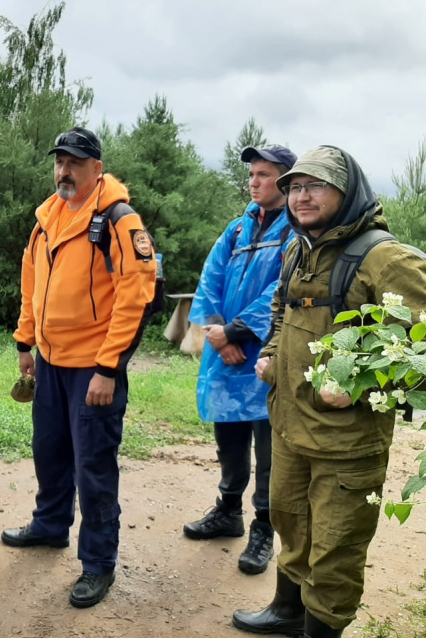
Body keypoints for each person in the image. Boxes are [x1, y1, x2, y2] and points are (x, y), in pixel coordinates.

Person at [232, 146, 426, 637]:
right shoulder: (299, 247)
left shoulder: (385, 258)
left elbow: (420, 347)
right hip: (292, 426)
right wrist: (272, 352)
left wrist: (361, 387)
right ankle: (285, 611)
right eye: (294, 187)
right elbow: (283, 307)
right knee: (290, 523)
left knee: (336, 548)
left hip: (348, 444)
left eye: (315, 185)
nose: (301, 196)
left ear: (347, 190)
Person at [2, 127, 157, 608]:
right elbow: (31, 284)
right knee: (49, 451)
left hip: (93, 368)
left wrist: (108, 369)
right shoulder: (46, 217)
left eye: (75, 162)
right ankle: (49, 527)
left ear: (97, 167)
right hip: (48, 363)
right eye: (59, 161)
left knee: (93, 467)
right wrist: (25, 341)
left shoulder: (118, 219)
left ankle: (98, 563)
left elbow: (137, 297)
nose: (64, 171)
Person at [183, 145, 297, 575]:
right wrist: (217, 332)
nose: (254, 181)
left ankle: (264, 529)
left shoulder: (296, 232)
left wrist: (236, 333)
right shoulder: (235, 229)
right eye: (252, 174)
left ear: (285, 181)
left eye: (264, 175)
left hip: (267, 354)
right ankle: (228, 512)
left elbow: (283, 290)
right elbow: (209, 279)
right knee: (229, 440)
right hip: (225, 355)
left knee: (269, 451)